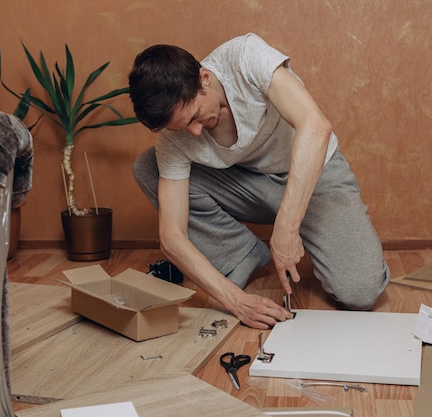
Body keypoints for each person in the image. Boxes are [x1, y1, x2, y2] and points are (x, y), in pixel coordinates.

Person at [128, 33, 389, 329]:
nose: (195, 133)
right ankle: (243, 254)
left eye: (195, 117)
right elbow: (171, 237)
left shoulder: (244, 57)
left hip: (312, 174)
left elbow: (315, 127)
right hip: (245, 185)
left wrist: (287, 228)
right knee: (147, 167)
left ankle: (314, 239)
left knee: (361, 292)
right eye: (182, 128)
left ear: (204, 78)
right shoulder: (175, 137)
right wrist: (236, 301)